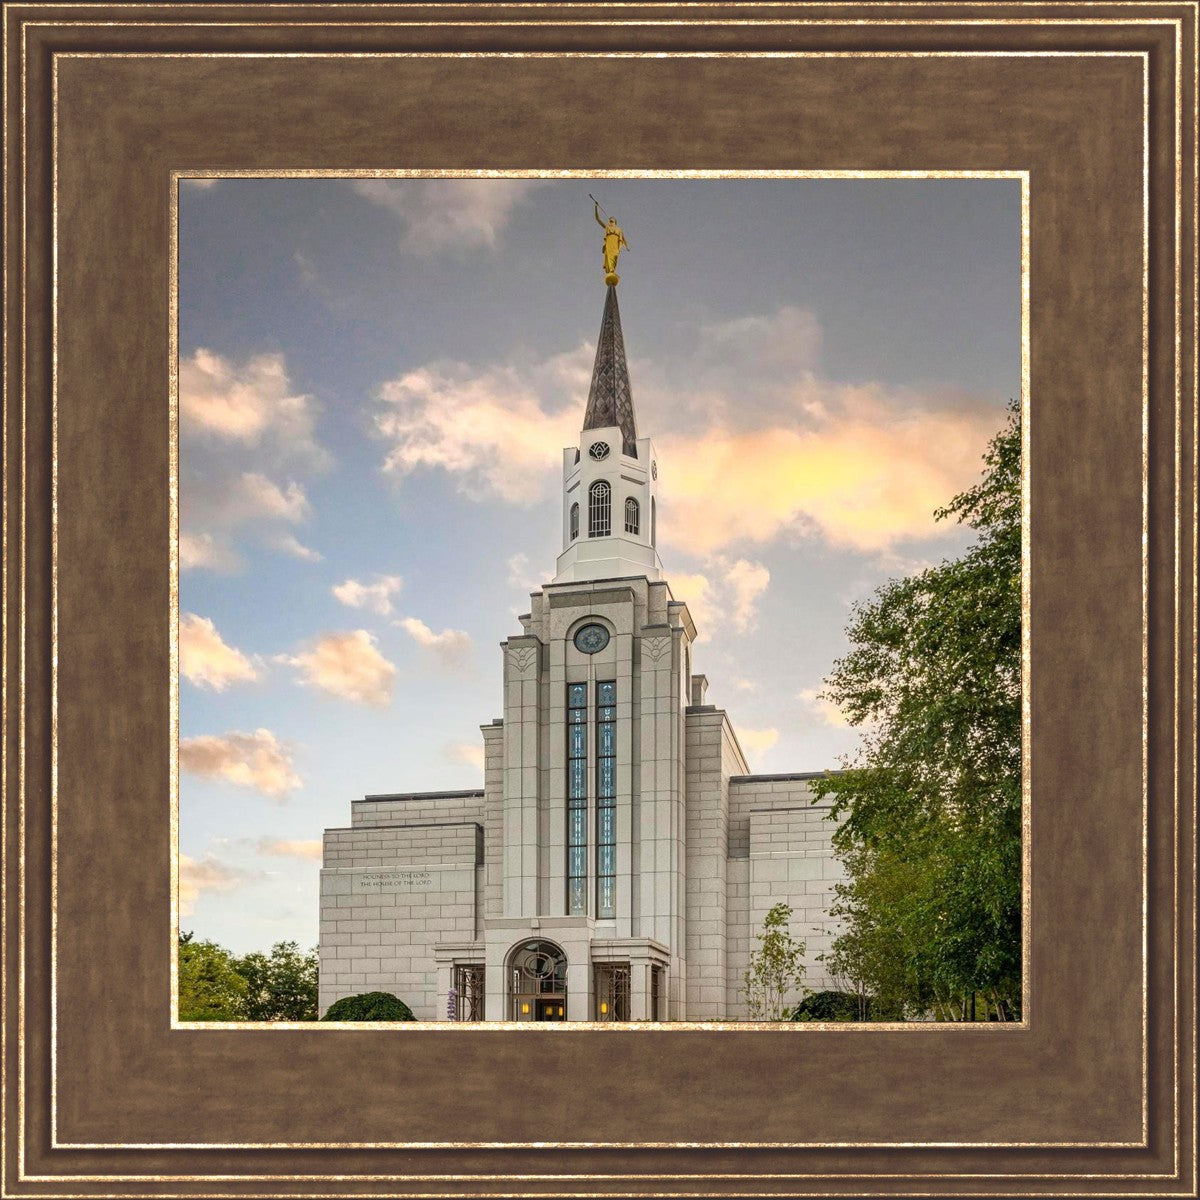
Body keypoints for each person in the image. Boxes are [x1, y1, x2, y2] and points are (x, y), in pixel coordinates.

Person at [594, 201, 629, 279]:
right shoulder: (607, 227)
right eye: (610, 220)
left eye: (612, 220)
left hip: (615, 245)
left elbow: (623, 239)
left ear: (615, 222)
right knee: (609, 258)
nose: (610, 221)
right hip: (609, 243)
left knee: (615, 256)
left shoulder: (619, 229)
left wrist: (626, 246)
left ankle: (612, 270)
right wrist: (596, 207)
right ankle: (611, 271)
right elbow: (598, 219)